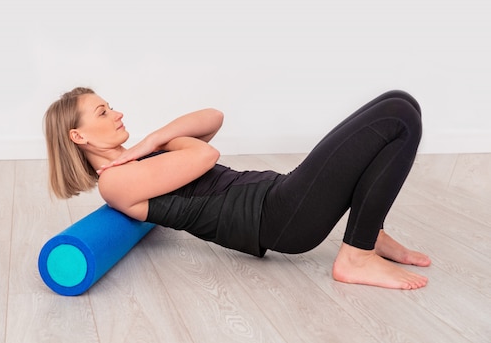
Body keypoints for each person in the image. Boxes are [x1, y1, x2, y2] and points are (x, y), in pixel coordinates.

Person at [43, 87, 431, 290]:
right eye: (103, 112)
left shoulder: (137, 159)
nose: (117, 113)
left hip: (279, 195)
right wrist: (160, 143)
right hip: (277, 220)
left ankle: (369, 230)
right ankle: (355, 256)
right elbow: (205, 154)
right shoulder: (115, 181)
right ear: (78, 135)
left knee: (400, 102)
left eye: (110, 106)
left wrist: (154, 139)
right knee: (397, 118)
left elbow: (213, 117)